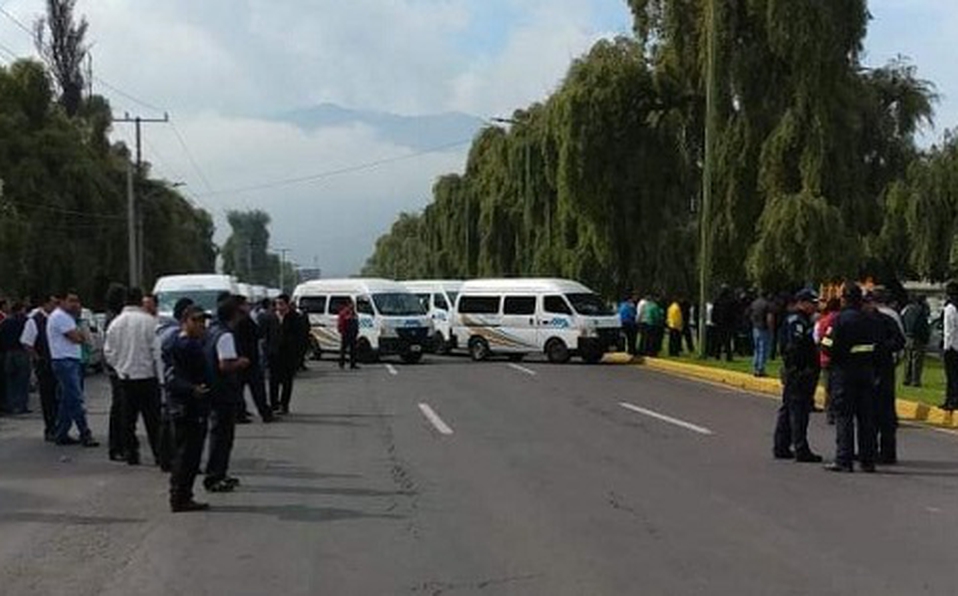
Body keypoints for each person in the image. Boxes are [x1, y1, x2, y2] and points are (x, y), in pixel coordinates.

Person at [821, 283, 877, 473]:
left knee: (844, 417)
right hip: (866, 373)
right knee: (866, 419)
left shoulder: (840, 320)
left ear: (844, 299)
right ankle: (867, 460)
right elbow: (878, 346)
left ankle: (844, 459)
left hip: (844, 373)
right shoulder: (870, 320)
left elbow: (826, 346)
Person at [104, 287, 162, 466]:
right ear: (139, 301)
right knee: (153, 421)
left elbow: (109, 352)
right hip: (148, 377)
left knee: (127, 420)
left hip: (125, 378)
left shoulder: (116, 323)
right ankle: (160, 454)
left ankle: (131, 453)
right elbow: (157, 352)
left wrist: (120, 366)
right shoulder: (150, 322)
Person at [165, 305, 212, 512]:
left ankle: (184, 494)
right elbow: (172, 378)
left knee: (191, 455)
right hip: (186, 406)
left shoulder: (193, 343)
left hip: (194, 405)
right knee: (186, 455)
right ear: (185, 321)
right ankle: (180, 497)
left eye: (203, 320)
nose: (201, 324)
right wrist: (193, 389)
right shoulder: (182, 345)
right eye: (196, 320)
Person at [204, 296, 250, 493]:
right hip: (223, 390)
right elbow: (225, 364)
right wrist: (241, 362)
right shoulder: (225, 335)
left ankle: (219, 473)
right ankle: (215, 476)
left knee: (220, 434)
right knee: (222, 436)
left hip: (214, 389)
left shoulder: (212, 330)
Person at [773, 290, 823, 463]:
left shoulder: (802, 320)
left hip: (796, 372)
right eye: (812, 302)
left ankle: (781, 446)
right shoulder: (797, 321)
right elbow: (795, 347)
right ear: (802, 302)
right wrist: (803, 369)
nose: (815, 306)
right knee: (798, 412)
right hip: (798, 373)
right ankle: (800, 448)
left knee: (788, 409)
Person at [48, 291, 99, 447]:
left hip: (70, 360)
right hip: (65, 361)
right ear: (61, 302)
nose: (75, 304)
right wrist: (80, 335)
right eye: (71, 301)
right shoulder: (60, 317)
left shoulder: (68, 318)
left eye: (77, 301)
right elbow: (77, 338)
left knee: (67, 399)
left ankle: (61, 433)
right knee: (76, 398)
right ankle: (85, 433)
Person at [155, 298, 196, 473]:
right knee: (173, 424)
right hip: (174, 382)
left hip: (164, 379)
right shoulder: (175, 335)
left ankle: (167, 459)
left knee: (167, 420)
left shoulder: (165, 331)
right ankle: (174, 461)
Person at [870, 289, 906, 465]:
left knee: (871, 413)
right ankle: (887, 452)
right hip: (885, 367)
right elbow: (900, 341)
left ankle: (871, 450)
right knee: (885, 412)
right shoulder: (890, 317)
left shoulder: (871, 319)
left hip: (872, 368)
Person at [21, 295, 59, 440]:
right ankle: (50, 428)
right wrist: (38, 358)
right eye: (53, 303)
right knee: (48, 397)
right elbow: (26, 342)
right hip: (45, 364)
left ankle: (58, 426)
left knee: (58, 397)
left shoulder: (55, 319)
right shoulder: (35, 320)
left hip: (56, 362)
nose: (56, 306)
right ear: (45, 304)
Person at [233, 296, 274, 424]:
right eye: (245, 304)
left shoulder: (236, 320)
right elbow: (258, 333)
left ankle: (239, 414)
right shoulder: (245, 319)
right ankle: (265, 413)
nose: (248, 306)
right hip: (249, 359)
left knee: (238, 390)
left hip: (239, 358)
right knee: (257, 389)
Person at [103, 283, 128, 461]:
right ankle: (117, 446)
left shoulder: (112, 316)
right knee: (120, 407)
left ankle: (119, 444)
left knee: (120, 407)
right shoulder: (114, 318)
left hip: (115, 366)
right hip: (117, 367)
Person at [265, 295, 300, 413]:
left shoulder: (295, 317)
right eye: (277, 304)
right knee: (273, 381)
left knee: (287, 381)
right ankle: (274, 404)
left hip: (288, 355)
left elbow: (300, 336)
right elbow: (266, 335)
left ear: (287, 304)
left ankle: (284, 405)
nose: (279, 306)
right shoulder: (270, 317)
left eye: (281, 303)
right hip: (273, 354)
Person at [814, 297, 841, 425]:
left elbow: (817, 338)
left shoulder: (823, 321)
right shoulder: (841, 319)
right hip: (840, 358)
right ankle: (837, 410)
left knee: (829, 387)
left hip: (826, 357)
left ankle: (830, 412)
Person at [0, 302, 31, 414]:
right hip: (22, 352)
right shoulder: (26, 321)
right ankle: (21, 405)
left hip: (8, 353)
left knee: (10, 380)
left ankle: (10, 404)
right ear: (22, 309)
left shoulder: (6, 322)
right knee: (22, 380)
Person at [901, 296, 930, 388]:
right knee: (917, 360)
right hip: (918, 338)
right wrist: (925, 338)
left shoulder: (907, 310)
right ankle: (915, 380)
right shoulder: (921, 311)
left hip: (907, 336)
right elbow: (923, 326)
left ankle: (906, 379)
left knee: (908, 359)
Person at [749, 292, 774, 377]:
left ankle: (755, 368)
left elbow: (750, 315)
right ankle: (760, 369)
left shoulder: (754, 303)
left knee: (757, 349)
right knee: (763, 349)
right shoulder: (767, 305)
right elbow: (769, 318)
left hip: (755, 328)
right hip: (764, 328)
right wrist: (771, 329)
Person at [942, 282, 958, 411]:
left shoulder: (950, 308)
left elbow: (949, 330)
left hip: (952, 347)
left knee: (951, 375)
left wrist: (947, 346)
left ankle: (951, 401)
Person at [338, 299, 360, 370]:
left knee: (353, 350)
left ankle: (352, 364)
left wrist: (357, 331)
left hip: (353, 334)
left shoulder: (354, 313)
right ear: (348, 305)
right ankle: (341, 363)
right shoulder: (344, 313)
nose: (353, 306)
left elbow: (356, 323)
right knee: (343, 350)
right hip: (346, 333)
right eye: (352, 304)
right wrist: (342, 331)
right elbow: (341, 323)